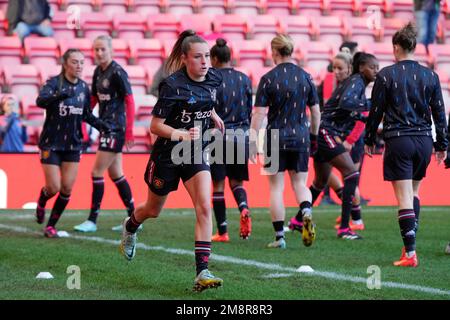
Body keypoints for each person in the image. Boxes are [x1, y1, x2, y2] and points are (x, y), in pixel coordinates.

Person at [119, 30, 225, 292]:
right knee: (153, 210)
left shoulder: (213, 78)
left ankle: (202, 271)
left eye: (207, 57)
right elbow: (155, 126)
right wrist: (179, 133)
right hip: (167, 153)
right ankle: (130, 226)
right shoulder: (172, 85)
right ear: (185, 59)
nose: (205, 62)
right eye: (198, 57)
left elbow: (204, 98)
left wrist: (212, 114)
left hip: (195, 150)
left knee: (203, 207)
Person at [364, 23, 448, 267]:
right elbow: (439, 114)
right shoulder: (431, 75)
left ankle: (410, 253)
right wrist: (442, 144)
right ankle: (409, 245)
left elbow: (376, 111)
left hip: (399, 140)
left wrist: (369, 139)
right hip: (423, 141)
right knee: (414, 193)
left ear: (396, 47)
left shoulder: (386, 74)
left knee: (403, 199)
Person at [251, 34, 321, 249]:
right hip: (300, 135)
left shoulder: (268, 79)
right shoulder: (306, 77)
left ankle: (280, 237)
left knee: (276, 188)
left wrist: (253, 140)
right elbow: (316, 112)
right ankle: (306, 211)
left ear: (274, 52)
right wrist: (314, 136)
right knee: (299, 183)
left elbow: (259, 114)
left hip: (274, 136)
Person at [35, 49, 110, 238]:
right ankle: (42, 201)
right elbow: (40, 101)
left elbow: (85, 114)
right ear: (65, 63)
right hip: (51, 143)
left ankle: (51, 226)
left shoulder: (84, 88)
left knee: (67, 188)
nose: (79, 66)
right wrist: (59, 96)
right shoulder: (54, 83)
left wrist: (102, 126)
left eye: (82, 62)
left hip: (73, 144)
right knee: (53, 187)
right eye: (75, 62)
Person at [309, 50, 378, 240]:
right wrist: (369, 106)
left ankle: (299, 220)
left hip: (329, 133)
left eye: (377, 68)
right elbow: (348, 104)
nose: (376, 71)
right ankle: (347, 226)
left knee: (320, 182)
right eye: (372, 67)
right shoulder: (356, 82)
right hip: (329, 133)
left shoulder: (355, 83)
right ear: (360, 67)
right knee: (351, 174)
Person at [73, 35, 136, 233]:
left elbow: (130, 101)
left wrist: (130, 131)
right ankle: (135, 218)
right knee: (116, 173)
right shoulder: (97, 73)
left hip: (114, 129)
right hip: (104, 127)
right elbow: (93, 99)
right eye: (96, 49)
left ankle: (92, 220)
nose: (99, 53)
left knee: (96, 172)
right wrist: (82, 115)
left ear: (111, 51)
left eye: (103, 49)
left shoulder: (118, 72)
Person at [209, 38, 253, 242]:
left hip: (218, 135)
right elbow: (249, 111)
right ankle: (243, 208)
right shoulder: (244, 79)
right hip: (241, 136)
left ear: (215, 58)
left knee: (218, 185)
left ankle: (223, 232)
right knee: (237, 182)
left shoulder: (211, 78)